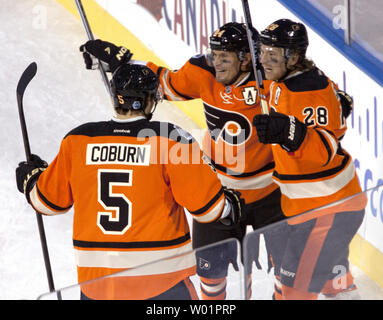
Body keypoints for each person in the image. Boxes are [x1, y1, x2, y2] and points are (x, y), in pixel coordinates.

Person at [79, 22, 286, 300]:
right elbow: (166, 84)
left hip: (270, 193)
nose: (217, 62)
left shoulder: (272, 77)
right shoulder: (203, 70)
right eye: (215, 54)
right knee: (210, 275)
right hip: (218, 192)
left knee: (290, 269)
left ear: (247, 58)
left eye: (225, 56)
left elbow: (304, 95)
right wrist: (123, 62)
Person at [15, 63, 243, 300]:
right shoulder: (170, 139)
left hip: (97, 287)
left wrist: (31, 180)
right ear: (148, 101)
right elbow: (208, 210)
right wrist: (229, 205)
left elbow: (46, 202)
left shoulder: (78, 140)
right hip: (162, 284)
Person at [253, 19, 367, 300]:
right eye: (263, 51)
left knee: (292, 290)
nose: (264, 60)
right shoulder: (287, 80)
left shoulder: (308, 89)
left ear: (293, 56)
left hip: (326, 211)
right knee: (335, 284)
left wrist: (291, 132)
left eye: (273, 53)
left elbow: (326, 150)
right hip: (316, 207)